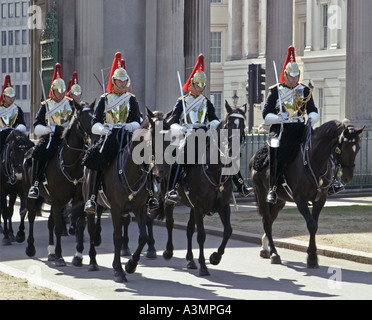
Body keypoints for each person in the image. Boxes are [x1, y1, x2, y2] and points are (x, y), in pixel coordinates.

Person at [164, 54, 252, 204]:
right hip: (189, 134)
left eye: (202, 85)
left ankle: (240, 184)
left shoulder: (206, 102)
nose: (200, 87)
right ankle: (172, 189)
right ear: (191, 84)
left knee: (225, 153)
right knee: (181, 155)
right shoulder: (182, 102)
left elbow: (214, 119)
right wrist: (181, 128)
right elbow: (172, 120)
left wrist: (213, 125)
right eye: (198, 84)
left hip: (204, 133)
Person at [84, 52, 158, 215]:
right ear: (114, 81)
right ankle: (92, 197)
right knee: (97, 158)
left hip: (127, 135)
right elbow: (94, 122)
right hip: (110, 136)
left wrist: (129, 125)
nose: (123, 83)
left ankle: (151, 195)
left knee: (146, 158)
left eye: (125, 81)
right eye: (120, 80)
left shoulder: (131, 99)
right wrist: (102, 128)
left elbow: (136, 120)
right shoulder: (105, 99)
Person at [262, 46, 320, 204]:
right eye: (291, 76)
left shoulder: (305, 91)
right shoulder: (276, 91)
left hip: (301, 128)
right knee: (278, 149)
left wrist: (312, 119)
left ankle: (329, 180)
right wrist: (279, 118)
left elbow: (313, 110)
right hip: (282, 130)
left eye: (297, 76)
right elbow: (265, 115)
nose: (294, 79)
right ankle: (273, 188)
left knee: (322, 146)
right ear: (286, 75)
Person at [28, 63, 74, 199]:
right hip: (51, 137)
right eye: (58, 91)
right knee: (38, 153)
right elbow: (36, 125)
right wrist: (47, 129)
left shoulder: (70, 104)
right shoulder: (46, 105)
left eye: (62, 91)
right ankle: (35, 184)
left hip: (66, 136)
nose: (60, 94)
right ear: (53, 91)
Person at [0, 75, 27, 153]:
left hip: (13, 133)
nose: (11, 99)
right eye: (9, 97)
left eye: (12, 97)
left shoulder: (18, 110)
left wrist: (17, 129)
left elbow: (21, 122)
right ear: (4, 97)